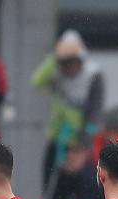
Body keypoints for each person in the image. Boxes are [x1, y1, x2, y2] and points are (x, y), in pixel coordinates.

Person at [32, 29, 104, 188]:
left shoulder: (93, 75)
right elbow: (36, 81)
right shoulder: (56, 74)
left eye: (72, 62)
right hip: (57, 140)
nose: (68, 68)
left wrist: (83, 146)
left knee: (79, 191)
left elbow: (94, 113)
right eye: (65, 63)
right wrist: (55, 56)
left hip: (79, 143)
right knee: (52, 191)